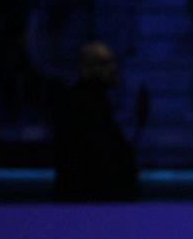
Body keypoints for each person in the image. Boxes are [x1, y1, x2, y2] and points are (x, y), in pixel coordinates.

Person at [52, 41, 141, 202]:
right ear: (85, 68)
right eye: (104, 63)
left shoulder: (99, 104)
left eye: (113, 62)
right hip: (86, 205)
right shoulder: (78, 105)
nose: (113, 68)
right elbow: (94, 159)